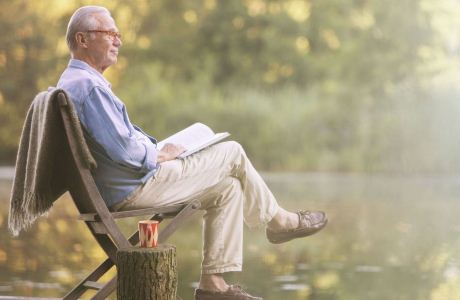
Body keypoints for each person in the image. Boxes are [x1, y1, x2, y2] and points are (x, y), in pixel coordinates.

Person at [57, 6, 328, 300]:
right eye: (109, 33)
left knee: (227, 187)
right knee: (232, 152)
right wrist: (159, 155)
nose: (117, 41)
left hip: (123, 182)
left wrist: (157, 149)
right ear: (83, 40)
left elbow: (118, 143)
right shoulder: (89, 88)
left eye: (117, 34)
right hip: (133, 187)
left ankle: (213, 284)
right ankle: (280, 222)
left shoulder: (74, 83)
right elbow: (124, 150)